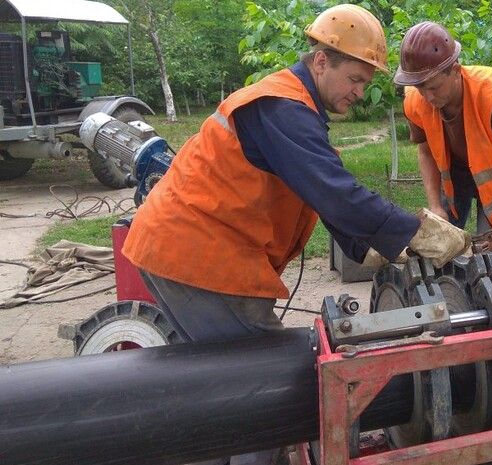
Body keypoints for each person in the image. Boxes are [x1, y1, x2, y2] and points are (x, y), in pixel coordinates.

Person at [122, 6, 469, 465]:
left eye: (366, 84)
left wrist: (367, 249)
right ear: (321, 61)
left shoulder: (293, 108)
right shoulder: (281, 107)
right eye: (354, 79)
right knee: (269, 387)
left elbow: (318, 192)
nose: (358, 94)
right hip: (200, 260)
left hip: (181, 250)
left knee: (217, 384)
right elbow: (333, 189)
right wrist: (412, 233)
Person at [394, 21, 492, 282]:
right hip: (453, 175)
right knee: (440, 251)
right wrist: (436, 205)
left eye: (433, 87)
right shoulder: (415, 100)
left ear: (455, 70)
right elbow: (425, 151)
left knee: (489, 259)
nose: (428, 97)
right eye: (420, 87)